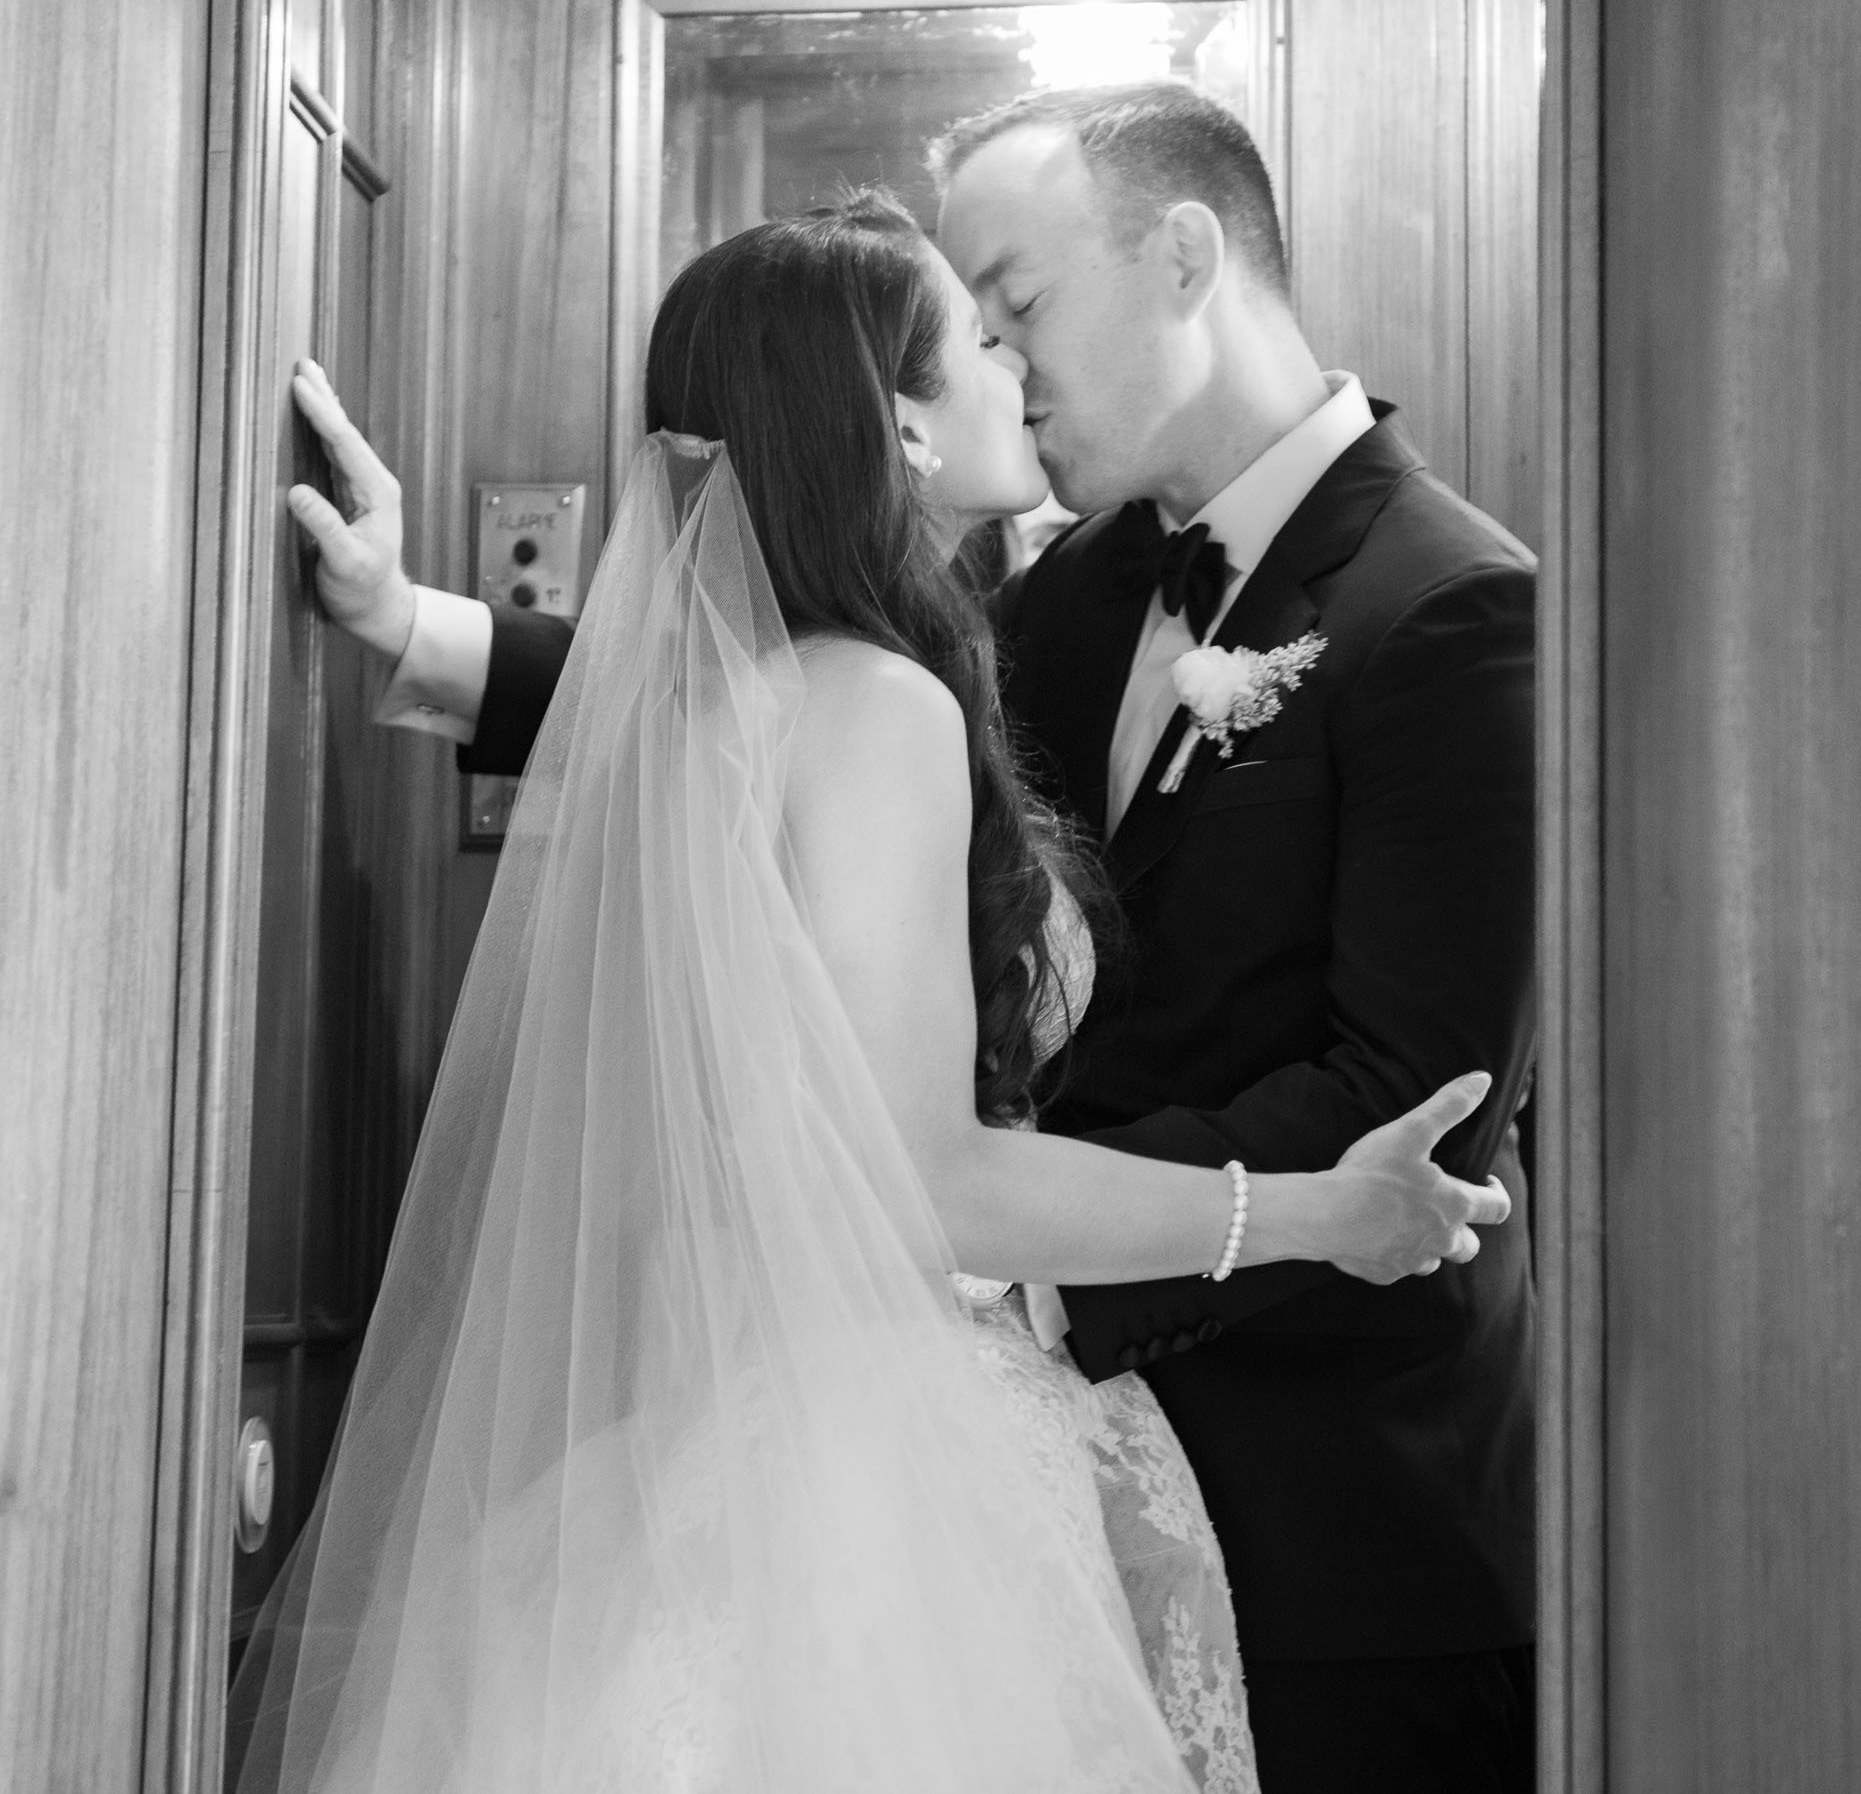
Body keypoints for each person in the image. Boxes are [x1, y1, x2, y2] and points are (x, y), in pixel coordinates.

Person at [266, 189, 1511, 1794]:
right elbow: (924, 1174)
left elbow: (688, 675)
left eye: (1022, 309)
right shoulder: (908, 683)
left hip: (1249, 1458)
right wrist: (1308, 1212)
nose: (1010, 357)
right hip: (888, 1451)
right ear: (896, 426)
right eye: (977, 329)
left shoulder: (1397, 600)